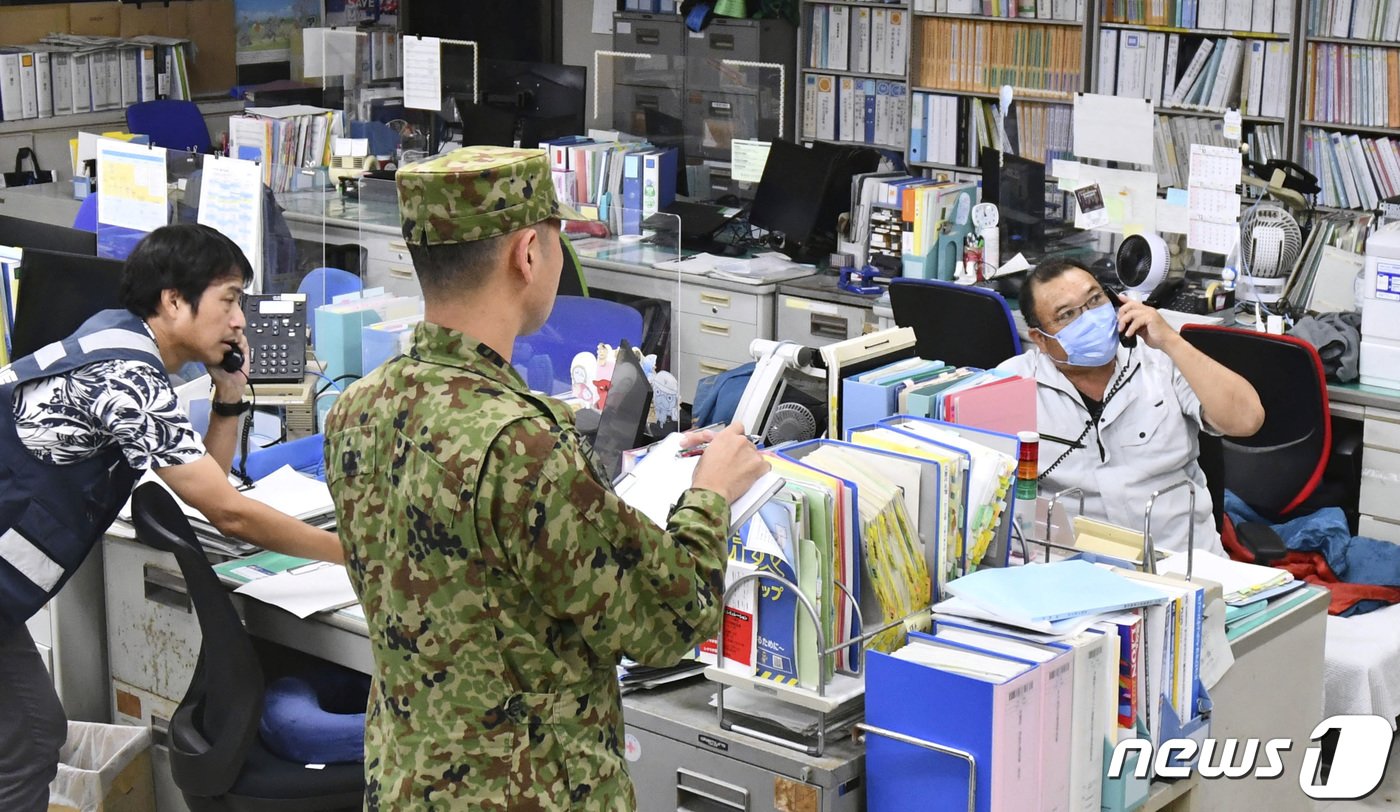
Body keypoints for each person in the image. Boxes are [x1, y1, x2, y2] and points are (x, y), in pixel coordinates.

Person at [322, 146, 769, 810]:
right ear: (528, 252)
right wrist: (709, 495)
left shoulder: (359, 406)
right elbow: (670, 619)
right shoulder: (522, 446)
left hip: (405, 784)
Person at [0, 224, 343, 812]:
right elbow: (227, 512)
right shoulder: (125, 376)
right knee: (28, 746)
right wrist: (354, 552)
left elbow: (199, 482)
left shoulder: (116, 340)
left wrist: (229, 394)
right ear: (174, 301)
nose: (240, 320)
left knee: (33, 738)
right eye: (230, 299)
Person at [998, 258, 1265, 556]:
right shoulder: (1011, 386)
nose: (1089, 318)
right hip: (1077, 575)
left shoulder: (1160, 359)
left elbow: (1248, 419)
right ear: (1040, 339)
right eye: (1068, 314)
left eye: (1095, 299)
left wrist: (1171, 341)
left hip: (1182, 565)